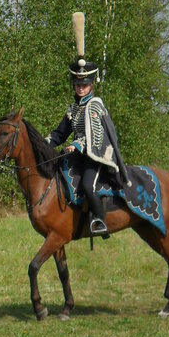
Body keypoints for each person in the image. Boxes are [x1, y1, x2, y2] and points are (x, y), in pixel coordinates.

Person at [46, 57, 128, 238]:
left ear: (91, 85)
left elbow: (95, 135)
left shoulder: (95, 106)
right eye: (77, 84)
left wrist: (76, 145)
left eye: (85, 84)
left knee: (87, 185)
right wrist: (43, 144)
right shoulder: (74, 108)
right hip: (78, 154)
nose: (81, 87)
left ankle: (100, 221)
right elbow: (60, 134)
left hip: (95, 155)